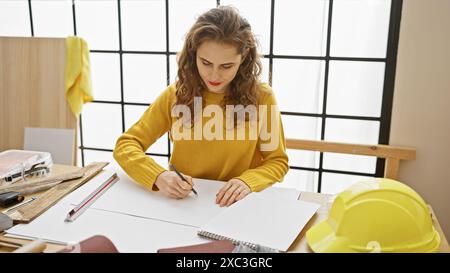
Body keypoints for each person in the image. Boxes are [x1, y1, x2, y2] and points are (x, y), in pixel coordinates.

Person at [113, 6, 288, 207]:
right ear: (194, 52)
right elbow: (126, 145)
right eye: (205, 62)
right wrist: (159, 176)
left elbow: (277, 161)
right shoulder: (177, 94)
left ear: (244, 55)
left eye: (226, 66)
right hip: (184, 205)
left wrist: (247, 182)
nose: (214, 76)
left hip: (237, 207)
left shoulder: (262, 98)